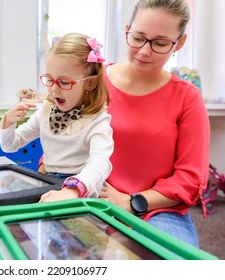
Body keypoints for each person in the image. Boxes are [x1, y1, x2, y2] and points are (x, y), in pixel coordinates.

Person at [40, 0, 209, 248]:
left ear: (179, 43)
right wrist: (49, 165)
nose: (144, 51)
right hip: (84, 194)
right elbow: (61, 126)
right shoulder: (94, 81)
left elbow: (190, 178)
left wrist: (131, 201)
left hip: (156, 209)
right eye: (138, 38)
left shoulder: (187, 97)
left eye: (160, 43)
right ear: (128, 29)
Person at [0, 33, 113, 200]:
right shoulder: (46, 112)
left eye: (64, 82)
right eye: (49, 79)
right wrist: (9, 121)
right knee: (5, 187)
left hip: (81, 187)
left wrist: (74, 189)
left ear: (90, 83)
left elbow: (100, 163)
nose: (54, 89)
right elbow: (11, 145)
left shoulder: (98, 121)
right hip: (49, 180)